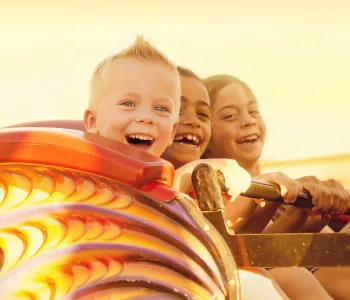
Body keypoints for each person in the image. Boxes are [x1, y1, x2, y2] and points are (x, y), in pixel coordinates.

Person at [203, 74, 349, 299]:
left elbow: (305, 239)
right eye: (230, 116)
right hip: (302, 275)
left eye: (253, 111)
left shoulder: (280, 189)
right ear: (206, 135)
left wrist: (318, 208)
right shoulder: (223, 200)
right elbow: (256, 250)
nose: (248, 121)